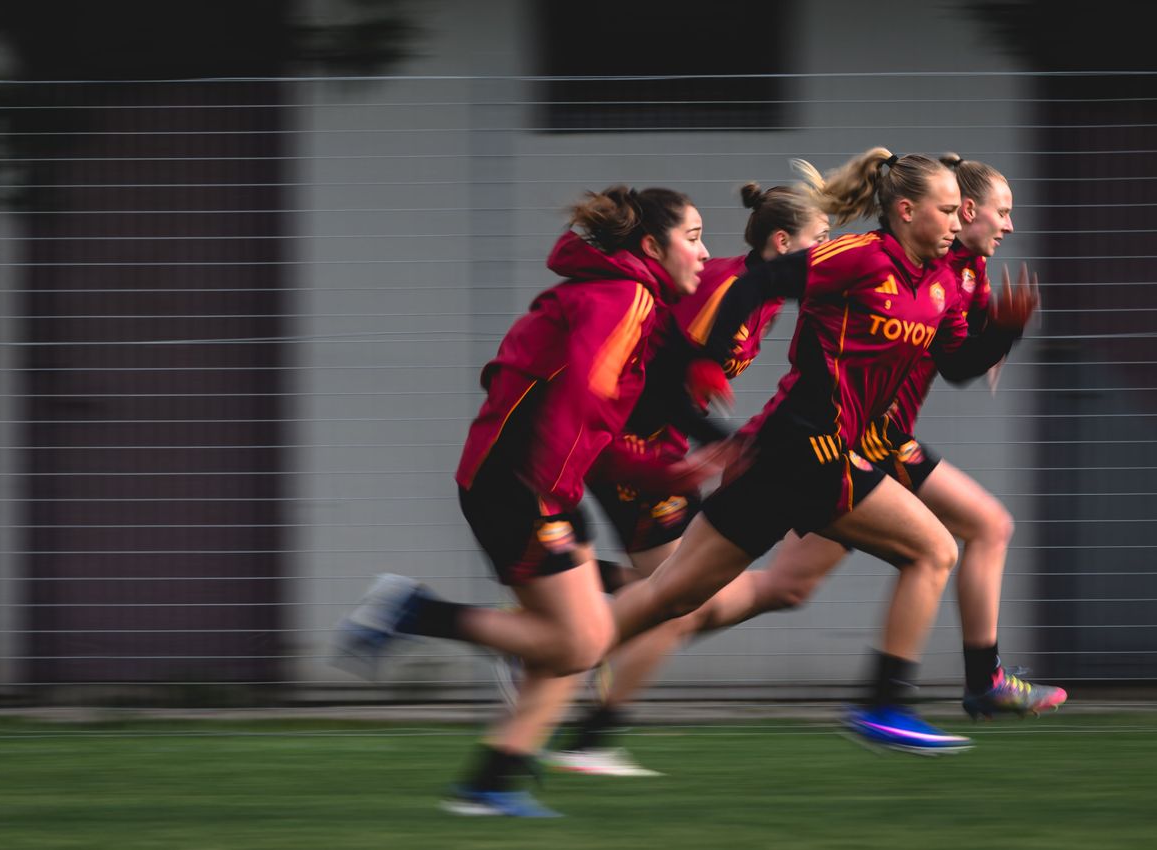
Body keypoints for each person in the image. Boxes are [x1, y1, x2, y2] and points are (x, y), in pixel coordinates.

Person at [545, 155, 1063, 772]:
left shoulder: (943, 284)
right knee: (933, 551)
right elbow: (755, 282)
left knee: (673, 599)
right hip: (809, 447)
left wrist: (1002, 334)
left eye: (959, 212)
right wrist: (701, 358)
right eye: (947, 210)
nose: (958, 222)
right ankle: (885, 706)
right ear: (905, 211)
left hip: (792, 457)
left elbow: (953, 364)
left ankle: (550, 648)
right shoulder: (859, 257)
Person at [328, 185, 731, 816]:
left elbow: (602, 428)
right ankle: (413, 613)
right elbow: (583, 406)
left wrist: (678, 472)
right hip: (520, 485)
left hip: (533, 482)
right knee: (577, 644)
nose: (706, 253)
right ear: (653, 246)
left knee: (584, 641)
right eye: (695, 236)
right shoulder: (626, 297)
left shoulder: (625, 298)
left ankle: (492, 782)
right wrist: (552, 497)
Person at [517, 174, 832, 776]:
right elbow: (656, 377)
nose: (828, 253)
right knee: (680, 602)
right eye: (822, 239)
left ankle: (558, 634)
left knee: (685, 597)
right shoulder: (726, 286)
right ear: (786, 241)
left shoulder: (762, 295)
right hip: (636, 444)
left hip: (659, 443)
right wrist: (724, 442)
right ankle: (567, 681)